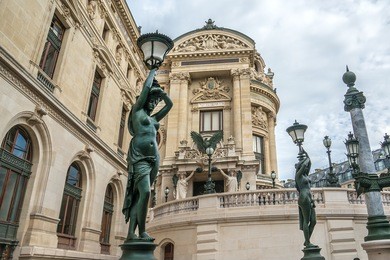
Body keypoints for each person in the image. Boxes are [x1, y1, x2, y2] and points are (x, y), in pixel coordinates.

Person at [122, 68, 172, 241]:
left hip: (153, 158)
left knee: (139, 196)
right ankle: (142, 231)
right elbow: (145, 89)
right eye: (151, 100)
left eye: (154, 102)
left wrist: (162, 94)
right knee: (145, 193)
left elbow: (170, 105)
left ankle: (131, 233)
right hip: (139, 157)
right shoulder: (137, 112)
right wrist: (153, 70)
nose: (152, 104)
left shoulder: (154, 119)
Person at [295, 149, 317, 248]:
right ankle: (308, 242)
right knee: (306, 220)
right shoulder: (298, 176)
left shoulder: (305, 175)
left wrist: (306, 153)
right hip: (303, 198)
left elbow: (309, 162)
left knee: (314, 221)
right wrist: (305, 160)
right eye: (304, 167)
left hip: (309, 197)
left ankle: (307, 240)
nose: (307, 168)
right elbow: (305, 165)